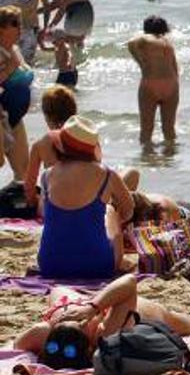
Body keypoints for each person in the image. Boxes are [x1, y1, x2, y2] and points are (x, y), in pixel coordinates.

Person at [13, 273, 190, 371]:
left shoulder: (43, 334)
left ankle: (94, 299)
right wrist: (90, 308)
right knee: (188, 324)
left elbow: (17, 346)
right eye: (82, 324)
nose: (81, 320)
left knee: (60, 294)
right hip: (143, 313)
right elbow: (129, 282)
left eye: (66, 320)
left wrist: (72, 310)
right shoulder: (105, 334)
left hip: (91, 300)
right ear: (89, 344)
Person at [34, 116, 134, 280]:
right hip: (97, 266)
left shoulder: (47, 175)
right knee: (110, 211)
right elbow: (129, 209)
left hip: (50, 265)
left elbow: (43, 213)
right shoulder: (107, 174)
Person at [127, 15, 179, 145]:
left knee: (146, 129)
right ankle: (170, 158)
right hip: (171, 84)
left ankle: (147, 159)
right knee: (169, 129)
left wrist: (140, 62)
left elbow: (131, 43)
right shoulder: (168, 44)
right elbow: (175, 67)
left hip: (151, 82)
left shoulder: (147, 38)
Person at [0, 7, 35, 182]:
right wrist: (11, 68)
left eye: (20, 23)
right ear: (1, 29)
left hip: (15, 117)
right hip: (1, 115)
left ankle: (18, 206)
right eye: (14, 24)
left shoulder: (15, 50)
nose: (19, 27)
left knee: (24, 167)